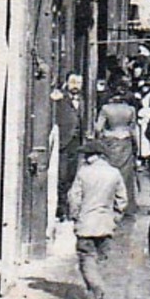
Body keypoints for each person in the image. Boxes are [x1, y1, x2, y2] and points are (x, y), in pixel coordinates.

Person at [68, 141, 128, 299]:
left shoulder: (83, 173)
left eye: (87, 155)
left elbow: (74, 198)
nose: (85, 158)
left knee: (86, 258)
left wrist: (75, 217)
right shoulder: (114, 173)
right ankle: (95, 290)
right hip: (106, 224)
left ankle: (96, 288)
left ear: (93, 155)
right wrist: (115, 217)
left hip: (86, 224)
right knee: (101, 258)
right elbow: (122, 200)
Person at [93, 82, 139, 208]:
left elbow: (98, 128)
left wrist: (101, 136)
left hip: (110, 141)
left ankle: (109, 201)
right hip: (126, 141)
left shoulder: (106, 109)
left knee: (109, 171)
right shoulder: (130, 110)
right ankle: (127, 204)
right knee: (126, 174)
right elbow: (134, 130)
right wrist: (137, 148)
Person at [51, 73, 84, 220]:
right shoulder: (60, 98)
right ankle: (61, 209)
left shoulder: (82, 100)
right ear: (66, 83)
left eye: (78, 83)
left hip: (75, 144)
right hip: (63, 142)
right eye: (72, 82)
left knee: (71, 176)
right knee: (61, 176)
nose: (75, 86)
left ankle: (67, 208)